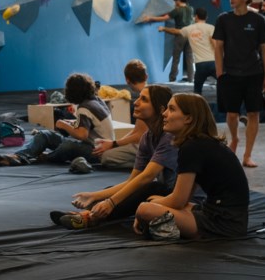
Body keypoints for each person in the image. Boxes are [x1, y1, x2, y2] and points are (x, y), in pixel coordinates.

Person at [51, 85, 176, 229]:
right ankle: (88, 212)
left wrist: (110, 202)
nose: (135, 102)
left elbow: (146, 177)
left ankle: (91, 217)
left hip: (176, 197)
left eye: (144, 99)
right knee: (121, 188)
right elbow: (132, 180)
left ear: (160, 109)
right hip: (165, 190)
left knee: (149, 188)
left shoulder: (168, 137)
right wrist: (95, 195)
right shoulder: (147, 138)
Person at [134, 93, 250, 239]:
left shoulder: (192, 147)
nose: (164, 113)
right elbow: (184, 199)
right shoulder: (198, 143)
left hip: (225, 223)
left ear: (188, 118)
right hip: (224, 214)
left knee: (144, 209)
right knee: (155, 201)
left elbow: (178, 201)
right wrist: (157, 202)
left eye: (171, 109)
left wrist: (148, 206)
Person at [0, 73, 113, 166]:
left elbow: (82, 134)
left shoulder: (85, 108)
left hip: (96, 152)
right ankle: (17, 157)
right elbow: (90, 125)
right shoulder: (96, 101)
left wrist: (63, 125)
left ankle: (47, 157)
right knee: (44, 135)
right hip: (94, 145)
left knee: (68, 145)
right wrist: (71, 123)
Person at [212, 0, 265, 168]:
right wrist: (220, 72)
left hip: (253, 73)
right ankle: (235, 138)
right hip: (230, 74)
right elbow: (218, 47)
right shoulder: (223, 19)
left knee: (254, 113)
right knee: (231, 114)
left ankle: (247, 155)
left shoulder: (258, 20)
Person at [92, 59, 148, 169]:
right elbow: (137, 131)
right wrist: (115, 143)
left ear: (127, 80)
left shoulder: (144, 99)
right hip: (150, 143)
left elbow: (139, 134)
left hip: (148, 146)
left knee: (105, 157)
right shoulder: (153, 93)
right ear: (146, 76)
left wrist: (114, 144)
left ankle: (147, 164)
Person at [139, 0, 194, 82]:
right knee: (189, 58)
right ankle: (191, 79)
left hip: (180, 35)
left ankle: (172, 79)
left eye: (175, 1)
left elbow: (164, 18)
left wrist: (150, 18)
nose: (174, 3)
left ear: (178, 0)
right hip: (190, 35)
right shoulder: (191, 9)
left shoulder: (177, 10)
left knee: (176, 58)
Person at [159, 8, 216, 94]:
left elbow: (175, 31)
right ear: (206, 17)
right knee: (225, 85)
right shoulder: (211, 28)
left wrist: (163, 28)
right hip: (213, 63)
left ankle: (196, 105)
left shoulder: (189, 29)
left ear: (195, 17)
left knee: (197, 91)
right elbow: (215, 44)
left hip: (200, 65)